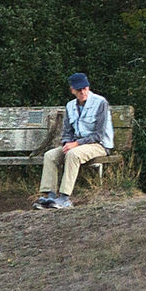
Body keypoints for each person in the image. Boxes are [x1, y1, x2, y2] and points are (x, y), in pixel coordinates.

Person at [41, 70, 114, 207]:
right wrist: (66, 143)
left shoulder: (100, 103)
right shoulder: (70, 106)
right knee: (50, 155)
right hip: (77, 144)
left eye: (85, 88)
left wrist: (75, 144)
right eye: (79, 89)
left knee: (73, 154)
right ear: (72, 90)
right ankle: (49, 195)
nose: (83, 91)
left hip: (99, 144)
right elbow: (67, 131)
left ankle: (64, 198)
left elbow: (98, 135)